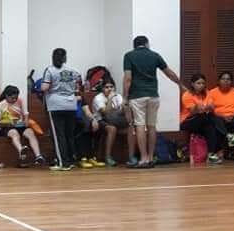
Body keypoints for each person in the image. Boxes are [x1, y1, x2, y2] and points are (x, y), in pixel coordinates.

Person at [123, 35, 184, 169]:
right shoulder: (155, 55)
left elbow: (128, 78)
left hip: (137, 96)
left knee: (140, 125)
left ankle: (143, 158)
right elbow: (169, 73)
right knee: (151, 126)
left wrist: (125, 97)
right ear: (146, 44)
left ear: (134, 45)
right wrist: (180, 84)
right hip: (153, 96)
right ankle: (151, 157)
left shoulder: (129, 56)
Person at [42, 48, 82, 171]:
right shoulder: (72, 70)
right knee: (69, 134)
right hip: (71, 105)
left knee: (59, 135)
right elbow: (79, 82)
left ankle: (62, 163)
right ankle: (71, 160)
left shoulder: (49, 70)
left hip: (55, 105)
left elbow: (44, 87)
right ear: (65, 58)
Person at [0, 85, 45, 168]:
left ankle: (38, 156)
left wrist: (26, 121)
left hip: (20, 125)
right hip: (6, 126)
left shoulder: (20, 101)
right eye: (12, 98)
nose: (14, 100)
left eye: (16, 98)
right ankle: (21, 150)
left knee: (30, 132)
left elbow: (25, 114)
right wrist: (8, 124)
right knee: (14, 133)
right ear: (6, 96)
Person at [181, 73, 226, 165]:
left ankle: (210, 155)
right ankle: (227, 136)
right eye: (198, 83)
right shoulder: (187, 95)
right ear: (192, 84)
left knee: (211, 126)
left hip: (204, 120)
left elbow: (211, 107)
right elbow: (193, 112)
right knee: (209, 118)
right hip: (188, 121)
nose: (201, 85)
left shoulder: (207, 93)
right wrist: (199, 108)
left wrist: (209, 107)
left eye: (203, 83)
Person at [90, 80, 135, 167]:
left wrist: (125, 106)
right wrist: (110, 99)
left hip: (116, 118)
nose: (109, 89)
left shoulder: (118, 96)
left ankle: (131, 156)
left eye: (111, 87)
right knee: (112, 129)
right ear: (102, 89)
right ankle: (108, 156)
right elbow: (105, 113)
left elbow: (121, 111)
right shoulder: (98, 98)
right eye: (106, 87)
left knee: (131, 127)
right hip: (102, 120)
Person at [207, 71, 234, 153]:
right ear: (219, 81)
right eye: (223, 79)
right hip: (218, 116)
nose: (226, 81)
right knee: (216, 120)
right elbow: (210, 109)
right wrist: (223, 116)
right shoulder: (212, 92)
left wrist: (233, 115)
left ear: (231, 81)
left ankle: (232, 147)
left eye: (228, 79)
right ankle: (230, 138)